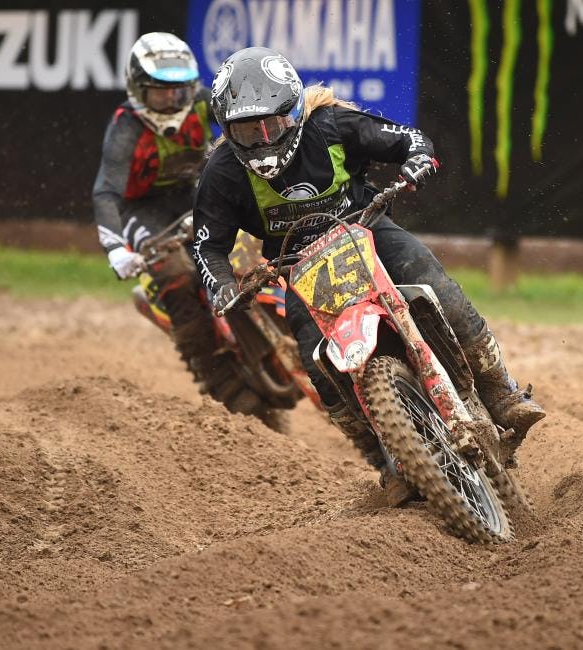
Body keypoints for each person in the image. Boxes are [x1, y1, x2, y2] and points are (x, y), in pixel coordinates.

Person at [191, 47, 545, 491]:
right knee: (316, 364)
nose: (262, 141)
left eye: (272, 125)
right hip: (299, 266)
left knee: (435, 284)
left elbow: (409, 139)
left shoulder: (331, 126)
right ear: (227, 129)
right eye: (247, 130)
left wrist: (417, 160)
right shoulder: (222, 173)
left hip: (368, 230)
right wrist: (223, 286)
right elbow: (207, 246)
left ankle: (501, 390)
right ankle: (384, 457)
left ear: (294, 112)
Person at [91, 32, 219, 386]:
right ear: (137, 89)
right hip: (141, 208)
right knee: (175, 273)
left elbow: (244, 119)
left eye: (179, 91)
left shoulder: (203, 102)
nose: (171, 100)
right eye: (159, 92)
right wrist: (116, 249)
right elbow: (106, 191)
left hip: (193, 190)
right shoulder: (125, 128)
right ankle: (207, 363)